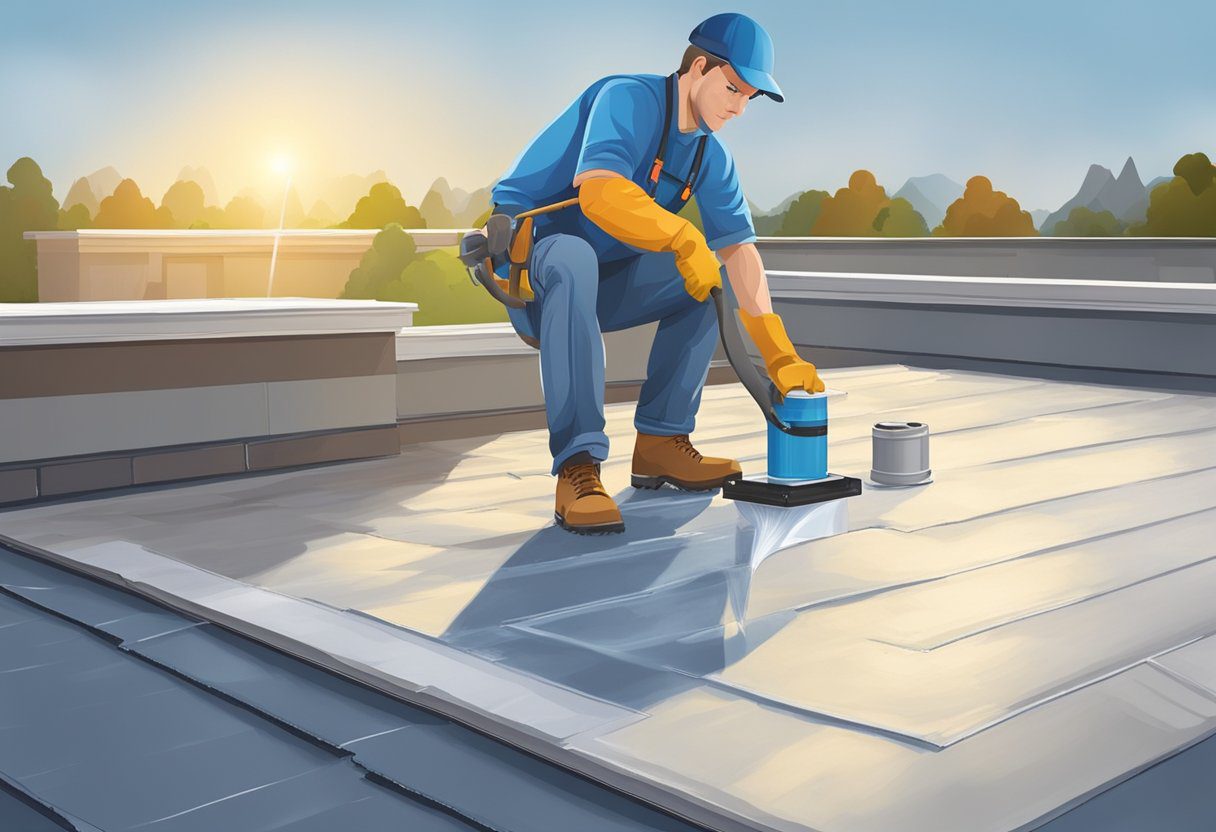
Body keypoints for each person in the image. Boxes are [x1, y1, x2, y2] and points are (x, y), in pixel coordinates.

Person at [487, 12, 824, 535]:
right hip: (532, 265)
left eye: (748, 98)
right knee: (578, 256)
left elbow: (739, 252)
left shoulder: (710, 156)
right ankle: (578, 467)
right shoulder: (627, 99)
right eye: (733, 88)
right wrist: (680, 235)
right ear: (698, 67)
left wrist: (778, 352)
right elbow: (599, 192)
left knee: (705, 280)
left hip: (604, 277)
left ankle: (662, 443)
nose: (737, 107)